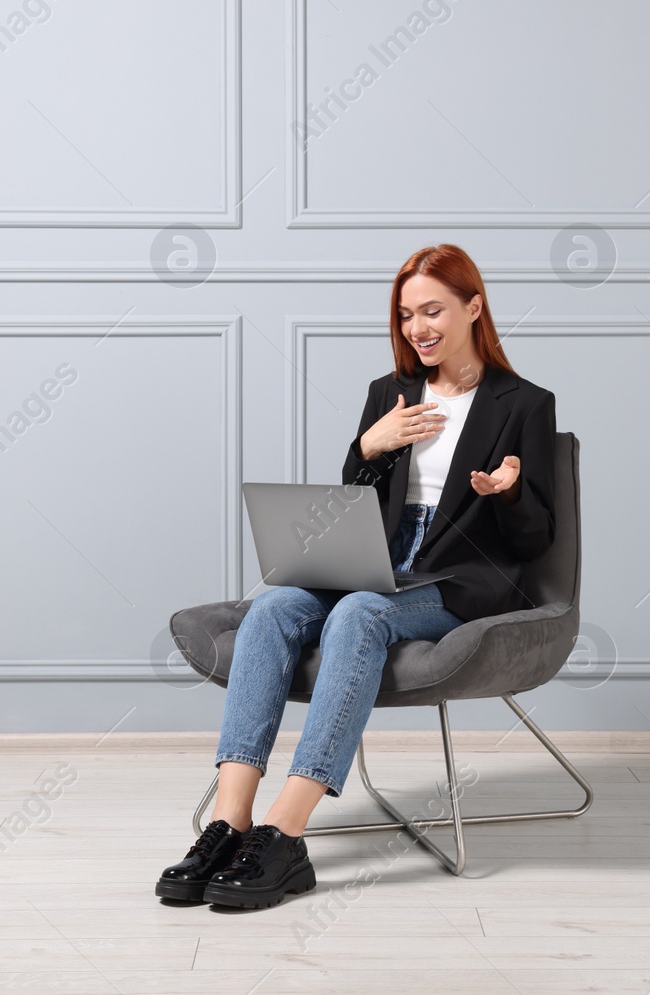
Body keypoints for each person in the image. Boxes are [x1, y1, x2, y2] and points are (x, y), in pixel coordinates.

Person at [156, 244, 558, 909]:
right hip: (380, 557)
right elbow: (358, 502)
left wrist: (509, 491)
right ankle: (230, 822)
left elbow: (536, 541)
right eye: (406, 315)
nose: (418, 328)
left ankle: (286, 833)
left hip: (457, 580)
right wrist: (370, 447)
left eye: (433, 310)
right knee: (277, 602)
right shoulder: (390, 393)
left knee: (358, 615)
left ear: (474, 307)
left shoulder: (523, 404)